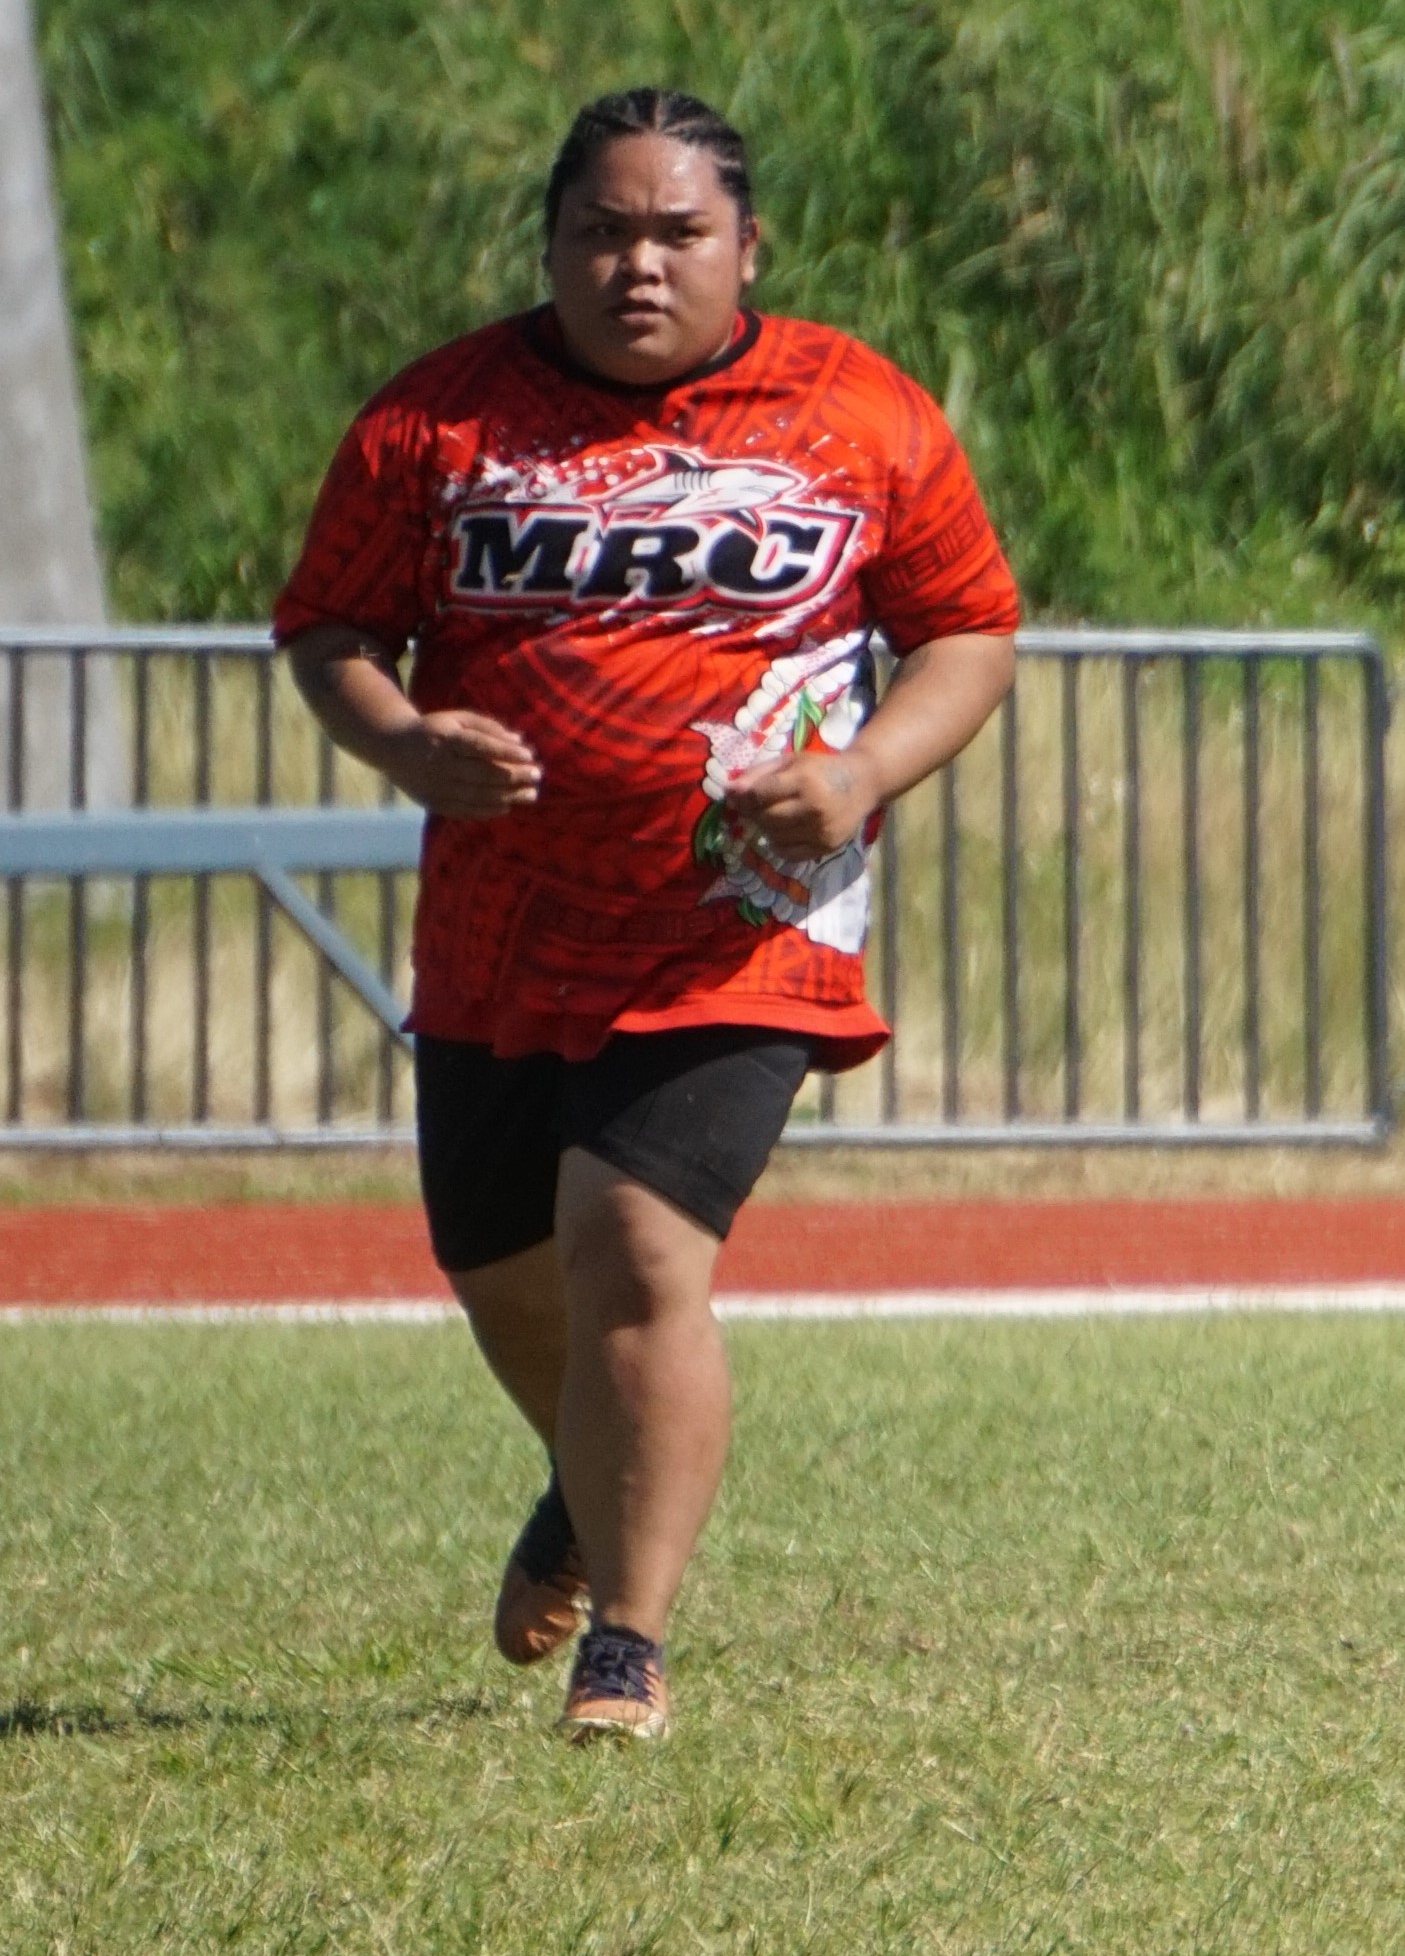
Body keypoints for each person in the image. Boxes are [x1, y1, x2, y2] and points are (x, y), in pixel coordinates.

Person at [276, 89, 1020, 1744]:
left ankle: (631, 1639)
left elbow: (967, 630)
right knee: (499, 1267)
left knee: (632, 1245)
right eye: (601, 232)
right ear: (548, 246)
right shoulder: (438, 420)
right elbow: (331, 624)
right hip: (500, 935)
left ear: (746, 248)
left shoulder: (856, 410)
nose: (636, 263)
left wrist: (860, 772)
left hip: (739, 921)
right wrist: (401, 740)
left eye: (677, 233)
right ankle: (586, 1473)